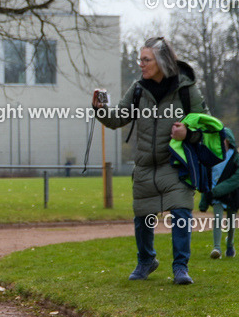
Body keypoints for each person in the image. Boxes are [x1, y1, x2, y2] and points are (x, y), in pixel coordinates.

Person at [92, 36, 205, 285]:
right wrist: (100, 110)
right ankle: (146, 261)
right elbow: (118, 118)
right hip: (144, 165)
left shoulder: (186, 90)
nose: (141, 64)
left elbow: (207, 125)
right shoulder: (138, 89)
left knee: (181, 213)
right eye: (139, 59)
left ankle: (180, 268)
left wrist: (188, 133)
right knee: (143, 217)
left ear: (162, 61)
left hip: (175, 164)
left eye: (146, 59)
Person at [199, 127, 237, 259]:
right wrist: (204, 200)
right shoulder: (213, 157)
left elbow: (235, 180)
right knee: (217, 219)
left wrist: (215, 191)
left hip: (233, 195)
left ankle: (230, 245)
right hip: (216, 196)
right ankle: (217, 248)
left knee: (231, 223)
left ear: (228, 140)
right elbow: (207, 181)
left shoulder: (235, 157)